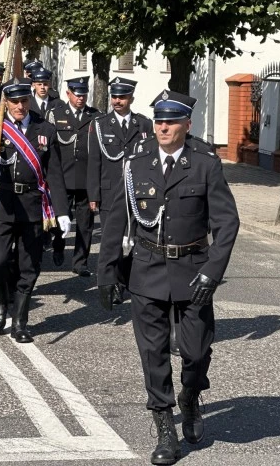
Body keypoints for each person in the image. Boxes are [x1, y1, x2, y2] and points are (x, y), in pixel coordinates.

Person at [97, 90, 239, 465]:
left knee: (195, 352)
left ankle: (190, 397)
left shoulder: (205, 165)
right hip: (146, 271)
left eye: (171, 121)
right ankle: (165, 431)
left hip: (193, 270)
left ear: (186, 125)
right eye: (159, 120)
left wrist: (213, 271)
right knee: (153, 354)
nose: (162, 126)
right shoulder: (135, 164)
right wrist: (107, 271)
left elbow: (227, 223)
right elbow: (115, 220)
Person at [0, 80, 70, 343]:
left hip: (31, 204)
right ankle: (0, 301)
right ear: (5, 101)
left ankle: (20, 321)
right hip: (1, 201)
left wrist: (62, 210)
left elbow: (54, 172)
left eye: (24, 100)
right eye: (14, 101)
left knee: (29, 266)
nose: (19, 106)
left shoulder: (45, 128)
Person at [87, 77, 153, 301]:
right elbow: (94, 161)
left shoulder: (143, 124)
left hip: (137, 193)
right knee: (112, 242)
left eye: (122, 97)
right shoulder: (100, 124)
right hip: (110, 194)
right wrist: (93, 195)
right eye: (114, 96)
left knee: (139, 239)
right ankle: (113, 283)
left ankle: (127, 276)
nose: (117, 101)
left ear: (131, 98)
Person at [46, 77, 100, 274]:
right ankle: (58, 243)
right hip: (63, 176)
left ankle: (80, 263)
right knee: (62, 217)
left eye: (84, 94)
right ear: (68, 93)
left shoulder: (95, 116)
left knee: (85, 224)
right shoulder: (55, 114)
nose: (81, 98)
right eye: (77, 94)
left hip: (86, 177)